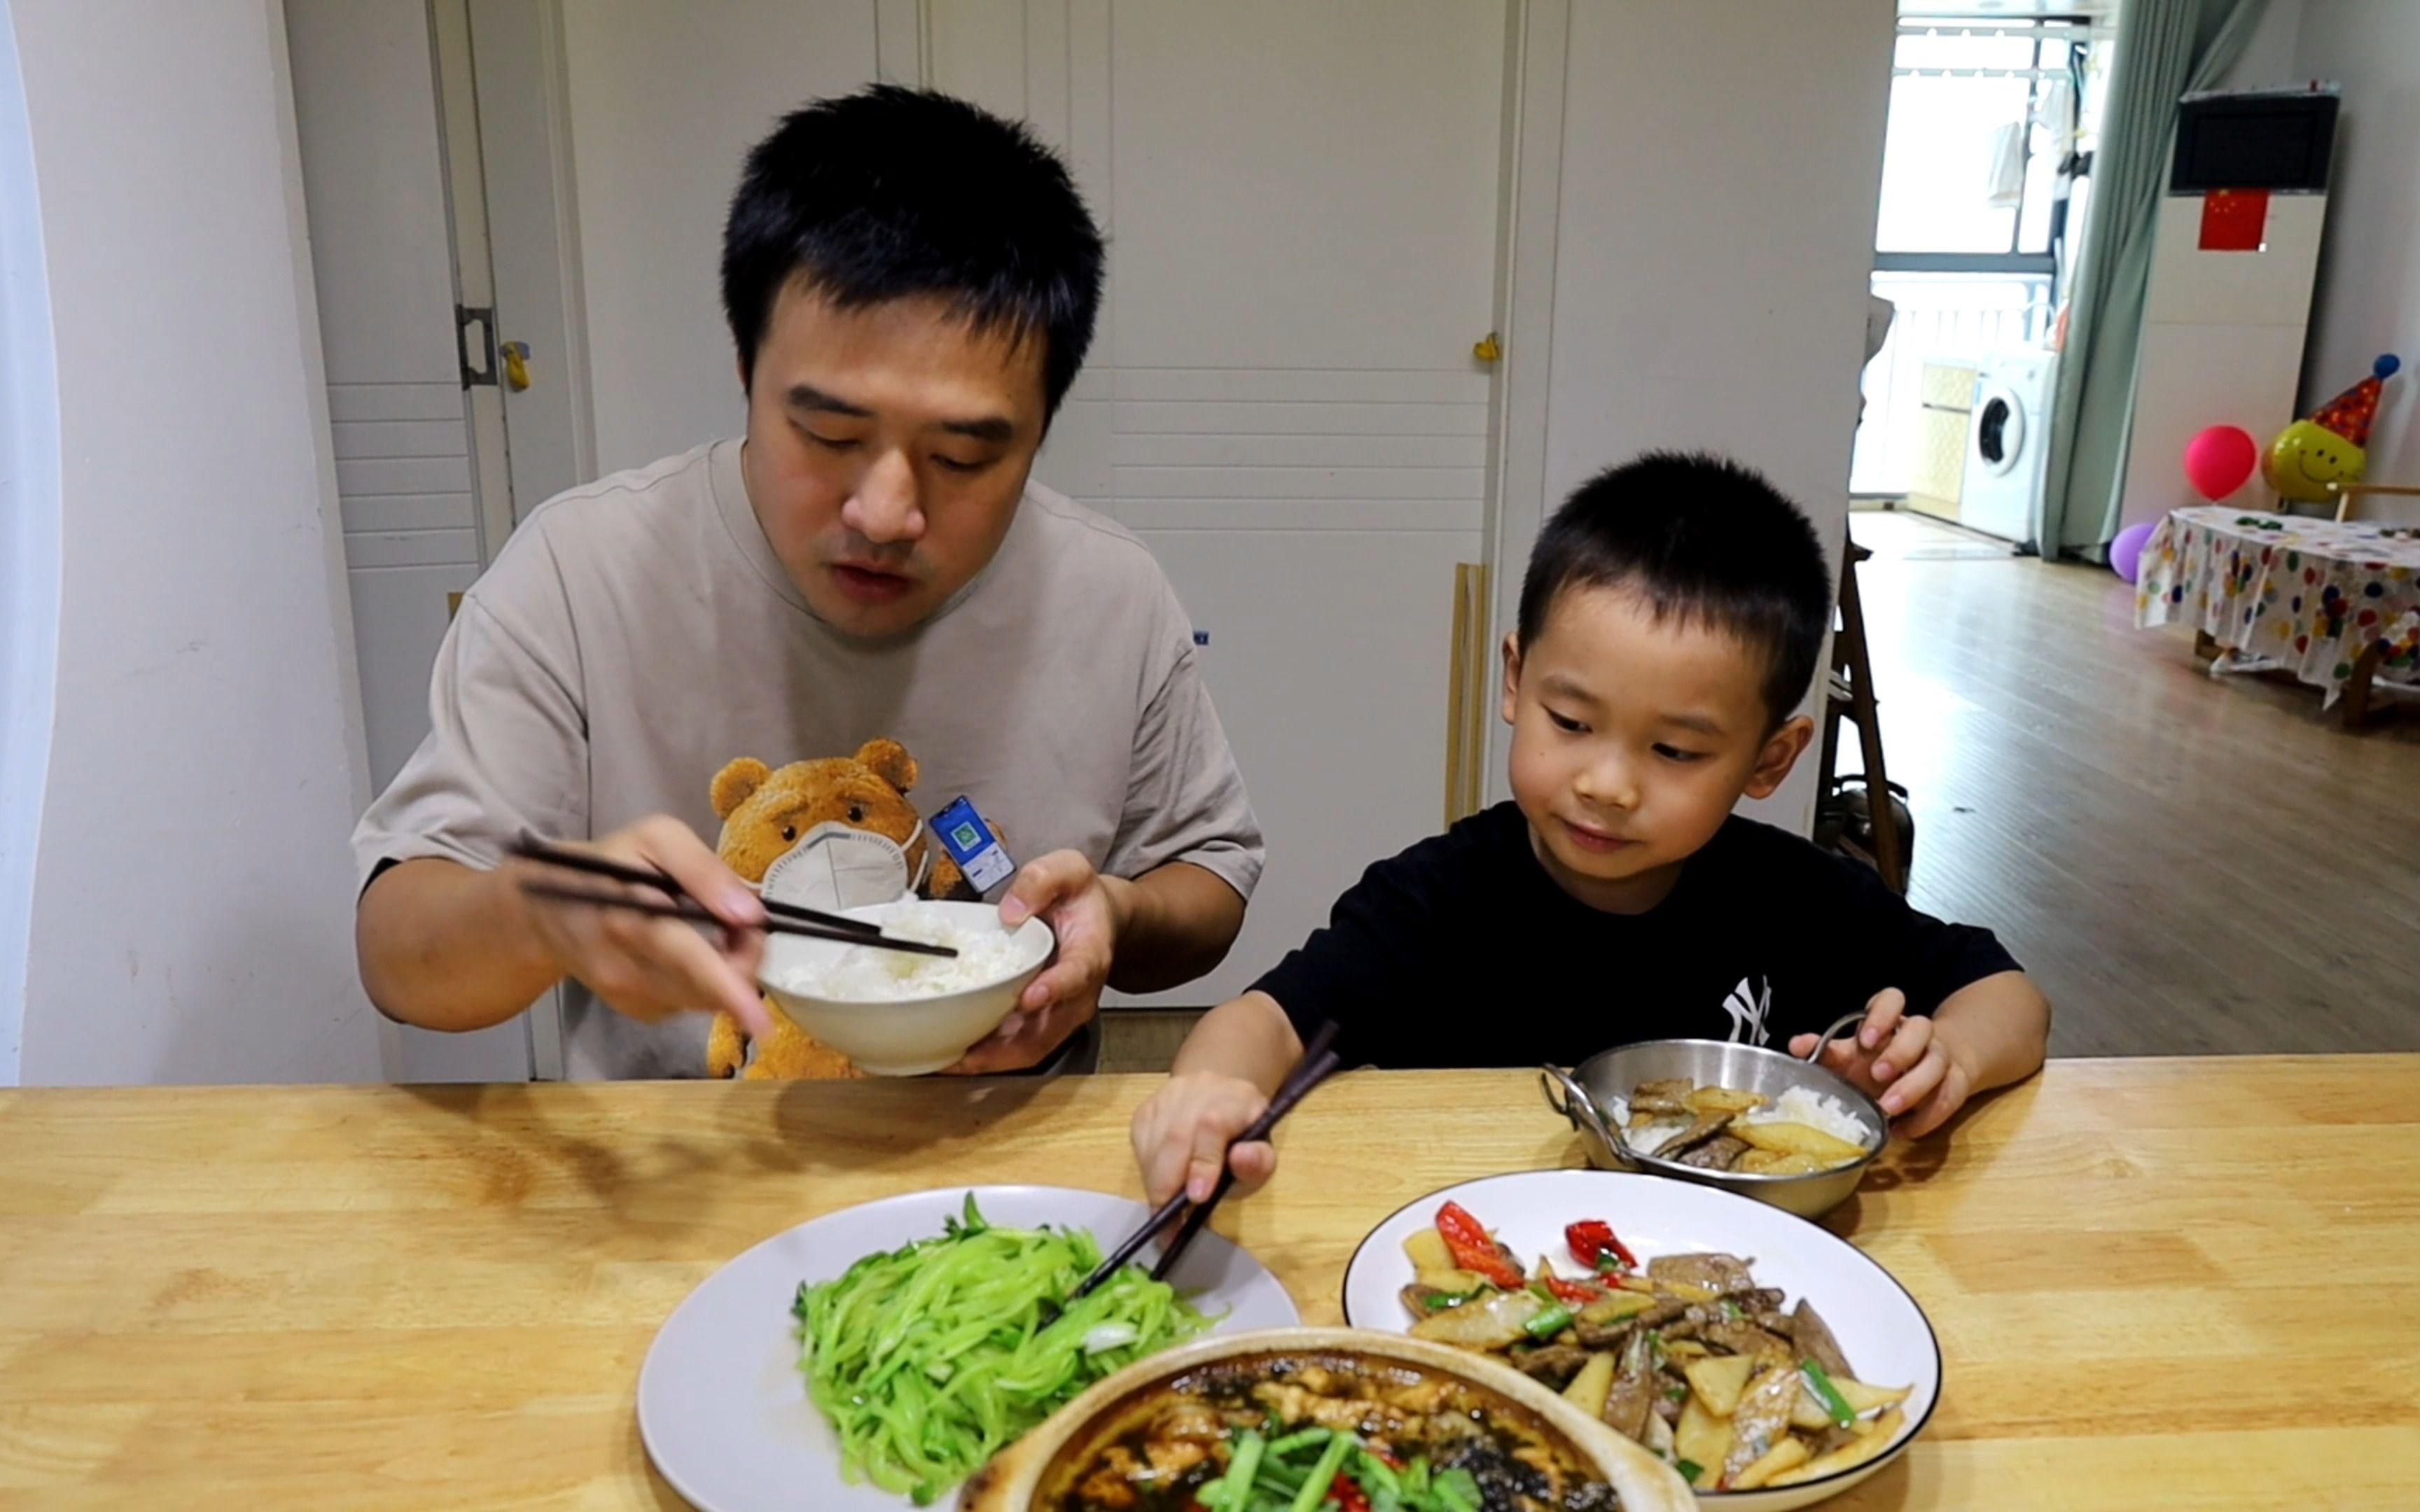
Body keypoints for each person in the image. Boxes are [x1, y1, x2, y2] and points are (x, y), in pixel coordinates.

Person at [352, 85, 1262, 1079]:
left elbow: (1208, 877)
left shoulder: (1110, 592)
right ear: (744, 364)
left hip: (1004, 1170)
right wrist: (540, 916)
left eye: (962, 458)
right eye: (829, 435)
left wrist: (1118, 917)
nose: (886, 512)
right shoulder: (583, 572)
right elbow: (399, 956)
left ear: (1042, 429)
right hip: (692, 1176)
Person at [1132, 453, 2050, 1204]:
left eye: (1677, 751)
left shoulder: (1796, 895)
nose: (1607, 785)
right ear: (1516, 681)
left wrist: (1948, 1056)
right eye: (1571, 723)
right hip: (1473, 1243)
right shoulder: (1435, 899)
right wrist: (1208, 1094)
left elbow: (2010, 997)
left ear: (1772, 760)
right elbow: (1266, 1022)